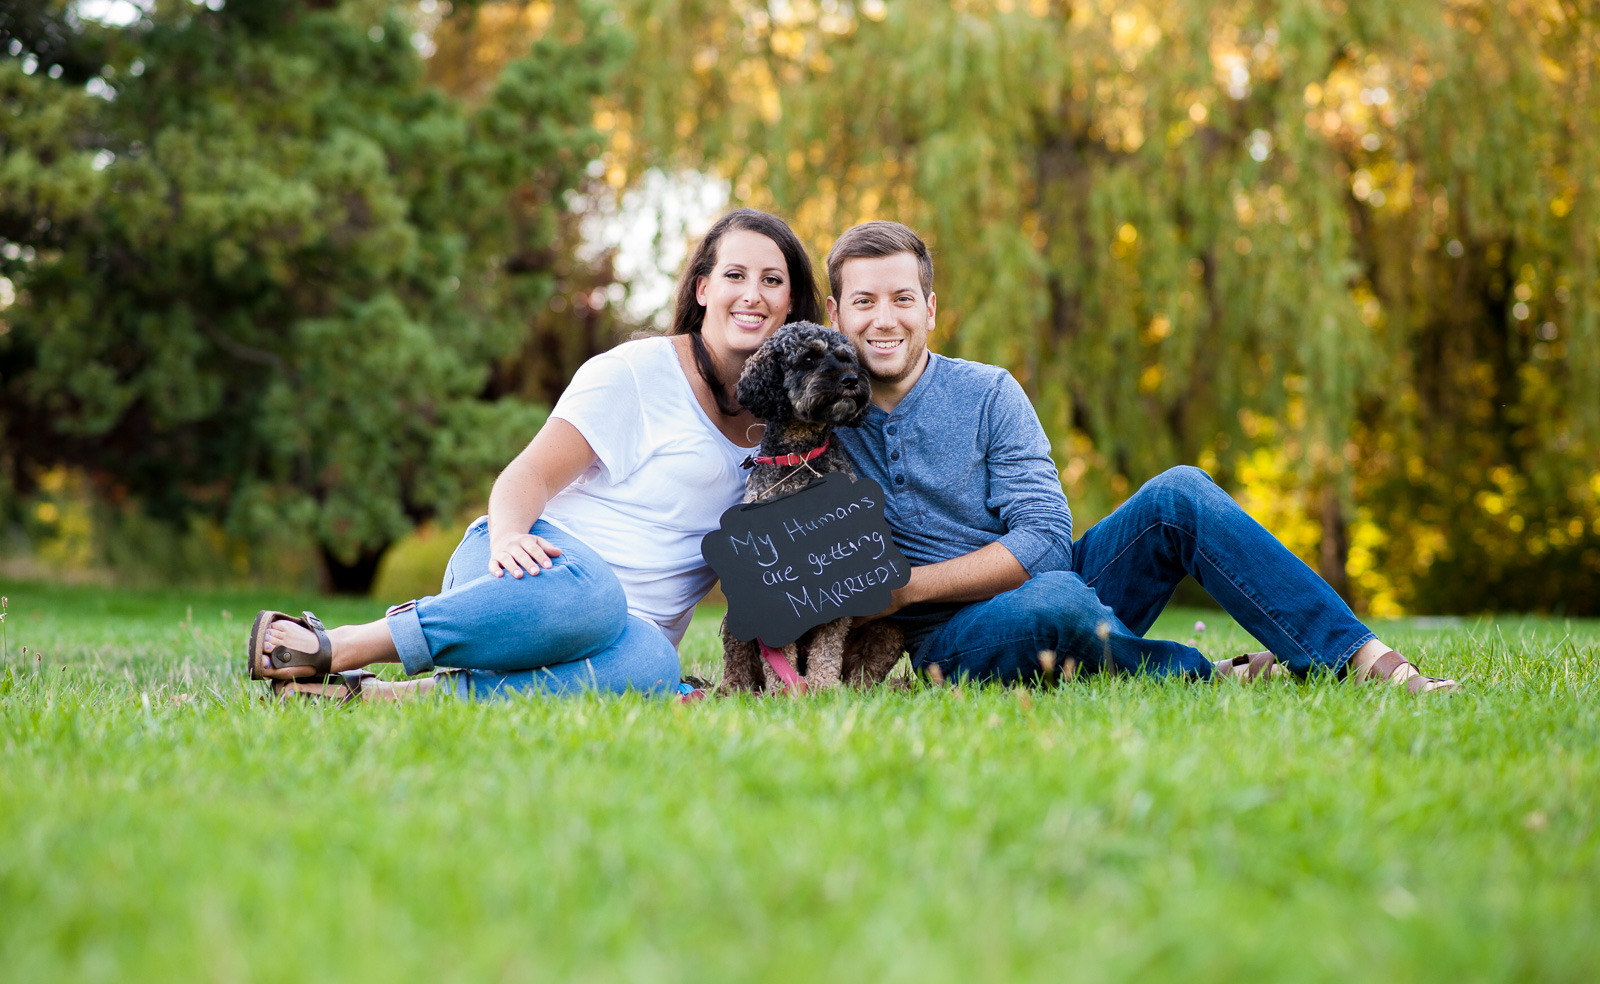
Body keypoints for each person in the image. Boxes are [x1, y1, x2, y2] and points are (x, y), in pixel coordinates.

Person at [826, 220, 1456, 693]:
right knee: (1057, 603)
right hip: (953, 641)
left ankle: (1364, 661)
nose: (886, 319)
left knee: (1178, 493)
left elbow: (1046, 543)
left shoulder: (989, 392)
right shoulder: (815, 421)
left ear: (930, 309)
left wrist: (904, 588)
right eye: (864, 301)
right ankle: (1205, 674)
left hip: (1053, 582)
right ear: (834, 313)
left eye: (903, 298)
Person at [248, 208, 825, 700]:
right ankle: (336, 645)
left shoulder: (793, 430)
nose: (753, 294)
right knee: (596, 594)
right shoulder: (637, 372)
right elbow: (526, 474)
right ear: (704, 290)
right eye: (735, 275)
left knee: (654, 665)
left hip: (628, 636)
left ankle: (381, 697)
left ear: (792, 300)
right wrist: (508, 540)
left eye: (772, 280)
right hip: (530, 575)